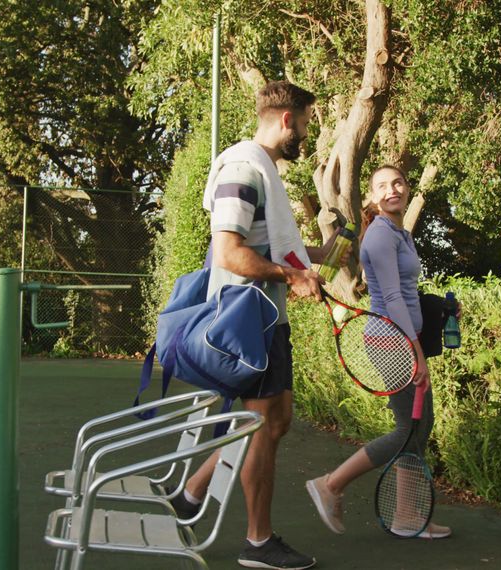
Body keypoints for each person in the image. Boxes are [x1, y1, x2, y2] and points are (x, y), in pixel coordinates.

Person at [169, 81, 334, 570]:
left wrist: (319, 258)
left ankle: (191, 494)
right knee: (262, 425)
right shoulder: (243, 167)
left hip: (265, 319)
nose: (305, 135)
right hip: (249, 324)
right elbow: (229, 252)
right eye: (304, 124)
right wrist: (291, 275)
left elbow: (268, 246)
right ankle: (258, 542)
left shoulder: (264, 171)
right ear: (286, 120)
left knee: (273, 421)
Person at [304, 164, 452, 539]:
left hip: (402, 338)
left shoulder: (399, 232)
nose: (392, 190)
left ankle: (406, 515)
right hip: (392, 342)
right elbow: (388, 297)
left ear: (407, 187)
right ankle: (331, 484)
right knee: (408, 428)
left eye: (398, 182)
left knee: (418, 428)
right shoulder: (381, 236)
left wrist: (437, 306)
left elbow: (405, 290)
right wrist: (415, 352)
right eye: (382, 186)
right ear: (372, 196)